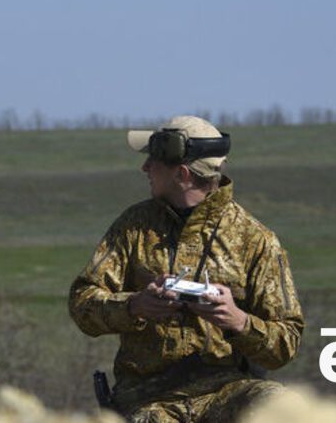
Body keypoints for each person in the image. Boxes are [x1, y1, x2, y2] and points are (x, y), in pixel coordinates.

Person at [68, 115, 304, 423]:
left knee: (287, 409)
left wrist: (238, 321)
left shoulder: (255, 240)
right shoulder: (133, 228)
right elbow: (82, 302)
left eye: (153, 161)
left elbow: (285, 342)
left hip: (226, 390)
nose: (144, 168)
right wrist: (135, 305)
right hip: (147, 397)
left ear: (181, 174)